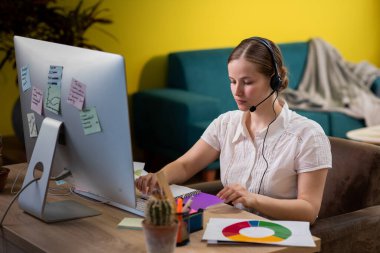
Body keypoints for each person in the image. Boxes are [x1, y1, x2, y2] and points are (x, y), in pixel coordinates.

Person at [135, 37, 332, 223]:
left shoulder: (308, 135)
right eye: (232, 81)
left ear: (275, 80)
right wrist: (157, 178)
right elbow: (187, 165)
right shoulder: (226, 123)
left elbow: (309, 211)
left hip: (277, 236)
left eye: (247, 82)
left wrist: (252, 199)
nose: (237, 92)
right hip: (230, 227)